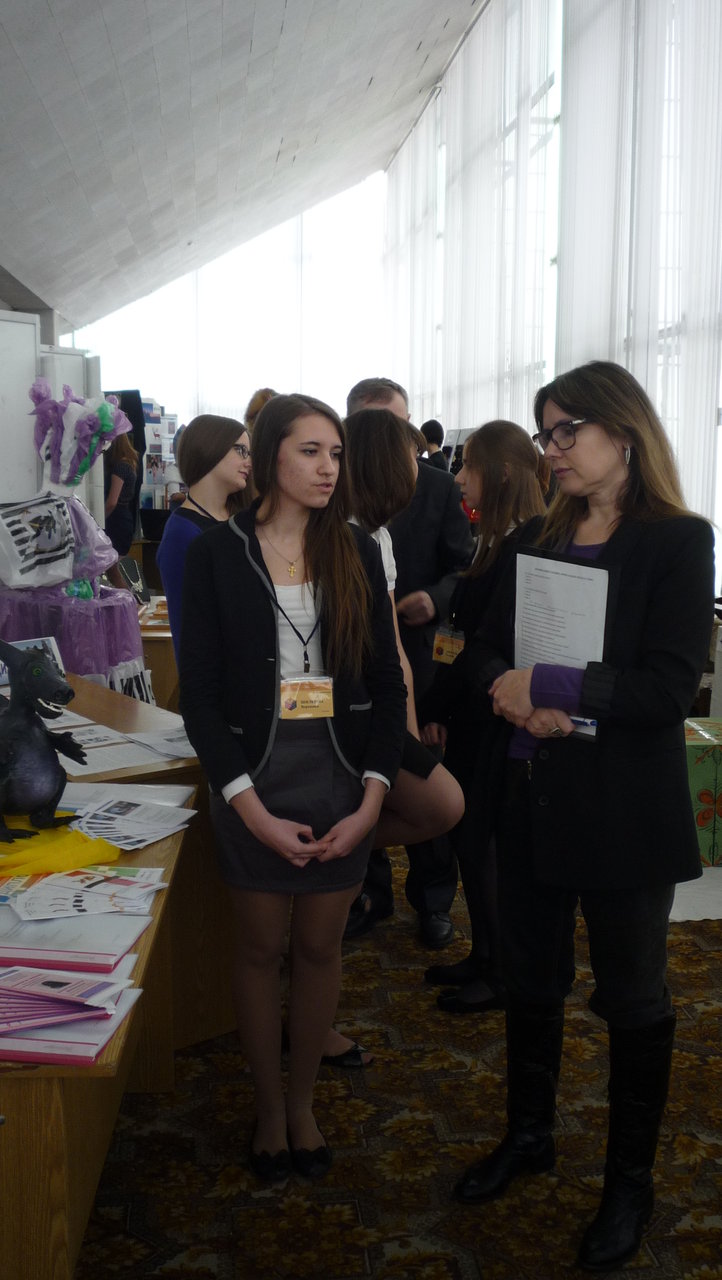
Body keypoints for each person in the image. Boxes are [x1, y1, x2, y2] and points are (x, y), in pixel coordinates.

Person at [451, 362, 713, 1274]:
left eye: (567, 431)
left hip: (623, 813)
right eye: (545, 433)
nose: (551, 449)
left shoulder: (678, 540)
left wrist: (550, 686)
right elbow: (482, 647)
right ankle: (530, 1138)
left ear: (623, 433)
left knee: (633, 998)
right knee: (531, 980)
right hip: (530, 794)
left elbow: (668, 688)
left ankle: (629, 1184)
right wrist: (507, 689)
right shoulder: (537, 536)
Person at [178, 393, 407, 1182]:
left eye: (335, 454)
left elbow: (386, 683)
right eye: (311, 451)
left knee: (318, 947)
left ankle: (303, 1102)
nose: (328, 468)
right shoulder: (217, 553)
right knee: (257, 947)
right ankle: (268, 1107)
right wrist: (247, 807)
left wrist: (373, 799)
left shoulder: (354, 549)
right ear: (271, 453)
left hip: (341, 771)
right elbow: (202, 698)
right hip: (254, 776)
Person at [420, 422, 547, 1014]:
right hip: (473, 708)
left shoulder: (530, 542)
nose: (459, 478)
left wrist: (441, 701)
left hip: (497, 712)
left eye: (469, 466)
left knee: (487, 843)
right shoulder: (495, 537)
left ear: (501, 473)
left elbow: (488, 642)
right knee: (471, 839)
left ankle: (501, 970)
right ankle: (486, 953)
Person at [344, 378, 475, 948]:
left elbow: (464, 566)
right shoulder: (333, 515)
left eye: (399, 428)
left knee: (424, 785)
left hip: (418, 657)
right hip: (355, 680)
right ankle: (366, 893)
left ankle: (434, 901)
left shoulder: (438, 487)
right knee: (361, 790)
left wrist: (435, 599)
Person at [156, 414, 252, 653]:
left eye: (249, 453)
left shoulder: (240, 518)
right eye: (241, 450)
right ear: (210, 448)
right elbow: (187, 633)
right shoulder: (182, 533)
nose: (248, 461)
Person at [103, 431, 141, 586]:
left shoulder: (120, 467)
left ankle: (127, 600)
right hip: (124, 519)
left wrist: (98, 521)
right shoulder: (130, 464)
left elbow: (112, 501)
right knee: (116, 571)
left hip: (116, 521)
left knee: (114, 573)